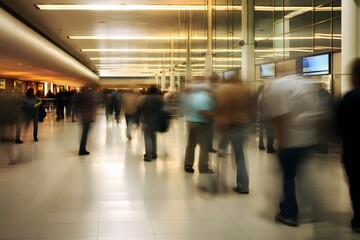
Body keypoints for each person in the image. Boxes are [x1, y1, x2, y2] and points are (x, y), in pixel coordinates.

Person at [265, 73, 323, 227]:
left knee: (289, 177)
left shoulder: (277, 88)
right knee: (301, 174)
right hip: (307, 140)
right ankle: (312, 208)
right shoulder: (305, 86)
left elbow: (280, 117)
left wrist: (281, 141)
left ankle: (289, 214)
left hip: (292, 141)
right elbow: (318, 113)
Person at [214, 77, 254, 194]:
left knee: (221, 152)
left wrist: (220, 126)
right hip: (242, 126)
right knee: (240, 156)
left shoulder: (225, 90)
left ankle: (218, 180)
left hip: (229, 127)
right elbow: (252, 110)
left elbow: (221, 108)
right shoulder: (246, 90)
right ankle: (243, 186)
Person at [337, 58, 360, 233]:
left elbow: (339, 128)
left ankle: (358, 219)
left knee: (356, 185)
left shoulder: (350, 98)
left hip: (353, 152)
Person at [182, 77, 215, 173]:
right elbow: (202, 111)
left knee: (190, 144)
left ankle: (188, 164)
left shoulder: (191, 95)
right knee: (204, 146)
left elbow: (185, 108)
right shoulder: (205, 96)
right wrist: (214, 115)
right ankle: (203, 166)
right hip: (201, 123)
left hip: (190, 121)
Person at [138, 86, 163, 162]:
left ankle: (148, 156)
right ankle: (154, 154)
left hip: (146, 120)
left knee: (147, 137)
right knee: (153, 137)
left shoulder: (144, 98)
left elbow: (140, 108)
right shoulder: (159, 99)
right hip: (155, 121)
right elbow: (162, 109)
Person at [77, 87, 97, 155]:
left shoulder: (80, 96)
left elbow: (79, 106)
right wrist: (92, 115)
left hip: (83, 116)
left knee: (84, 133)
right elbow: (91, 107)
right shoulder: (88, 96)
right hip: (87, 117)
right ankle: (82, 149)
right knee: (85, 133)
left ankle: (82, 148)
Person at [257, 86, 276, 153]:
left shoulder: (260, 96)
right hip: (267, 117)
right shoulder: (267, 97)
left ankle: (261, 145)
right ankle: (270, 147)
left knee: (261, 132)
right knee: (270, 132)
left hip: (261, 116)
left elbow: (259, 107)